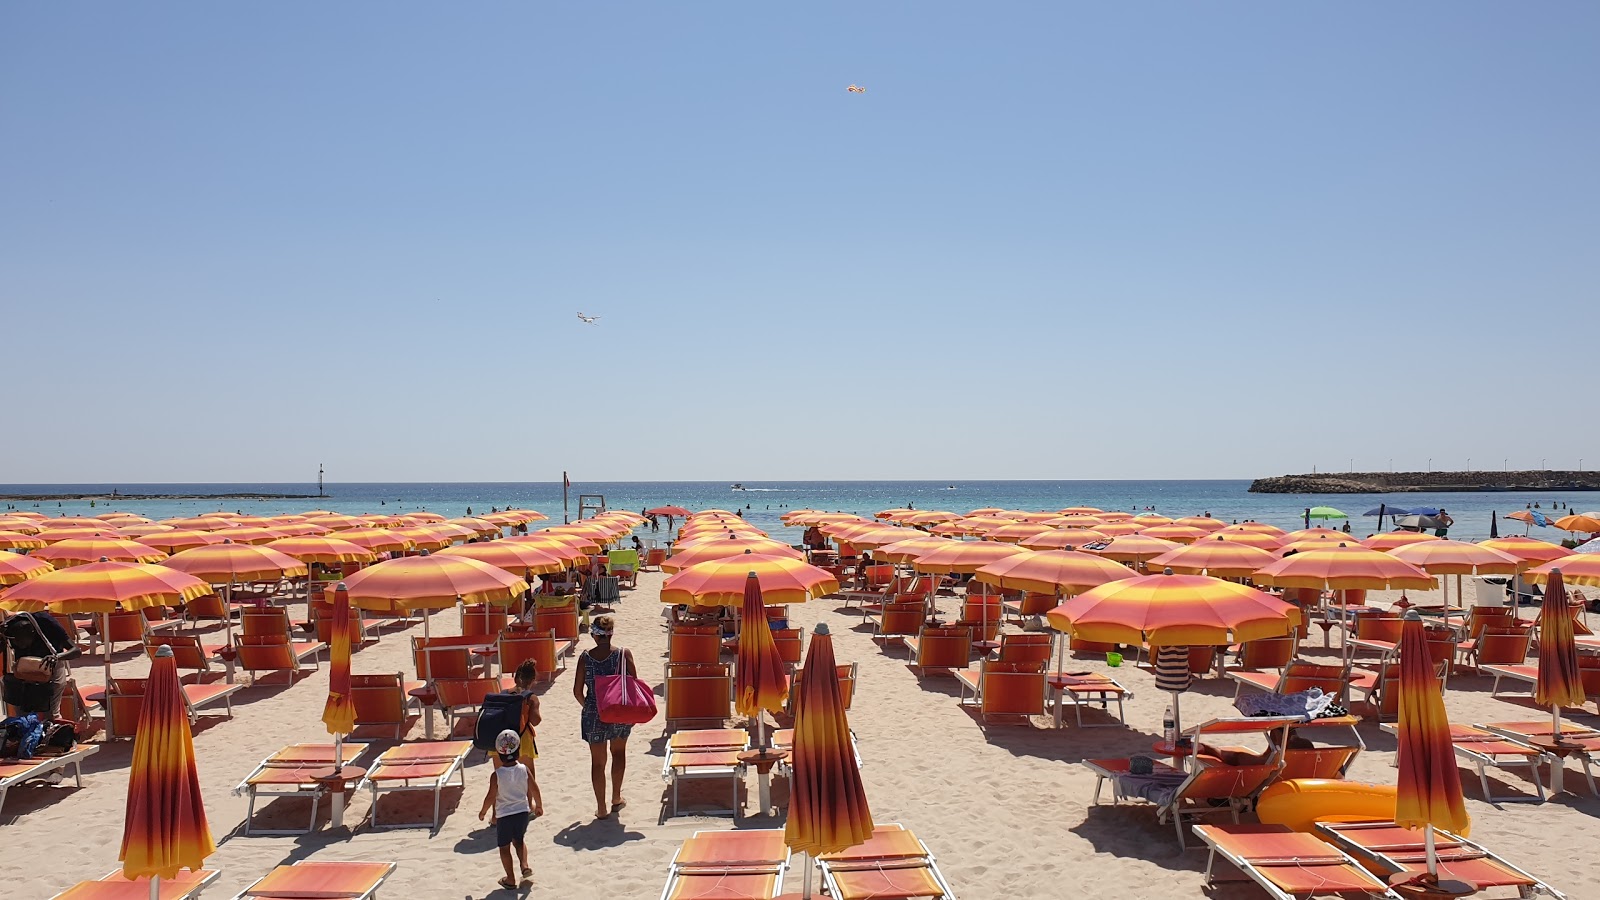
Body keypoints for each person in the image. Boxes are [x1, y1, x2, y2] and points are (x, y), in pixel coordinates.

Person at [573, 614, 635, 819]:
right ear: (611, 634)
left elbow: (577, 691)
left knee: (597, 762)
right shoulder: (623, 654)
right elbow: (633, 685)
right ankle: (616, 798)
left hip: (594, 713)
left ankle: (601, 808)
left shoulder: (585, 657)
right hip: (618, 711)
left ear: (594, 635)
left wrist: (590, 707)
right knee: (619, 754)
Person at [479, 729, 535, 890]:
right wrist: (539, 805)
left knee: (504, 847)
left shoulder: (496, 775)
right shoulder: (524, 769)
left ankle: (510, 879)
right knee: (519, 841)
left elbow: (491, 797)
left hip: (505, 816)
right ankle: (524, 865)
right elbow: (534, 788)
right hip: (523, 812)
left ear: (498, 753)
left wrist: (483, 811)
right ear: (518, 751)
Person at [2, 611, 83, 721]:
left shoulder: (46, 622)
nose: (19, 645)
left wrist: (57, 657)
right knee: (23, 716)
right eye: (15, 642)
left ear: (32, 633)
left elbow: (76, 651)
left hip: (50, 666)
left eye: (22, 641)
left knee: (50, 714)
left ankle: (53, 729)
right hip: (25, 669)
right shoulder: (8, 627)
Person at [507, 659, 544, 816]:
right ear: (533, 680)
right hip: (523, 739)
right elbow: (535, 721)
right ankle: (528, 806)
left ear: (515, 678)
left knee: (502, 775)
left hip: (503, 738)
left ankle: (497, 814)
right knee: (527, 774)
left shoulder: (505, 693)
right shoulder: (531, 697)